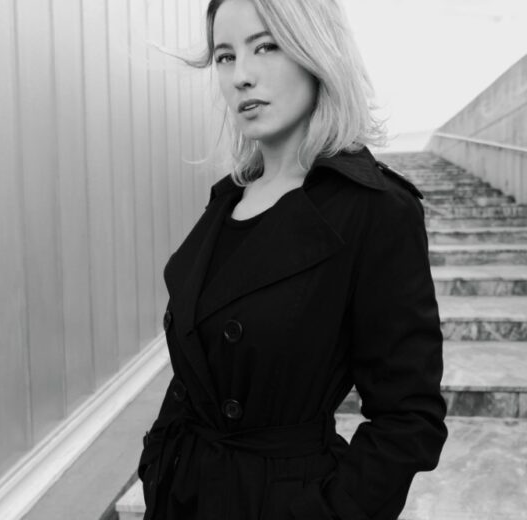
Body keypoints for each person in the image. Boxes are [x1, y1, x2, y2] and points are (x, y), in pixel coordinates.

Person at [138, 0, 447, 518]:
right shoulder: (227, 200)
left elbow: (409, 419)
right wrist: (158, 463)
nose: (241, 76)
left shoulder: (373, 210)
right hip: (182, 495)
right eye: (225, 56)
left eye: (266, 47)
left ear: (316, 52)